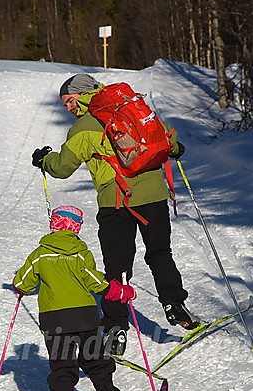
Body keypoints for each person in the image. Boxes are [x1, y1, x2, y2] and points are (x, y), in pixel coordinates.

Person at [32, 74, 199, 357]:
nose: (69, 108)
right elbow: (165, 136)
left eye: (70, 101)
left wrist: (44, 159)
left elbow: (62, 168)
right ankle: (174, 305)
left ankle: (115, 328)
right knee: (160, 252)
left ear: (82, 94)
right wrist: (176, 149)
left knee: (118, 267)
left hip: (117, 202)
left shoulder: (84, 127)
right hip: (155, 195)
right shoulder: (131, 107)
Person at [12, 205, 136, 391]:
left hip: (55, 319)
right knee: (95, 358)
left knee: (62, 365)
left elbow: (22, 283)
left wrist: (19, 283)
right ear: (76, 227)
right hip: (84, 316)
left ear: (54, 226)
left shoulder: (40, 254)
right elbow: (94, 281)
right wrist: (118, 291)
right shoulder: (80, 253)